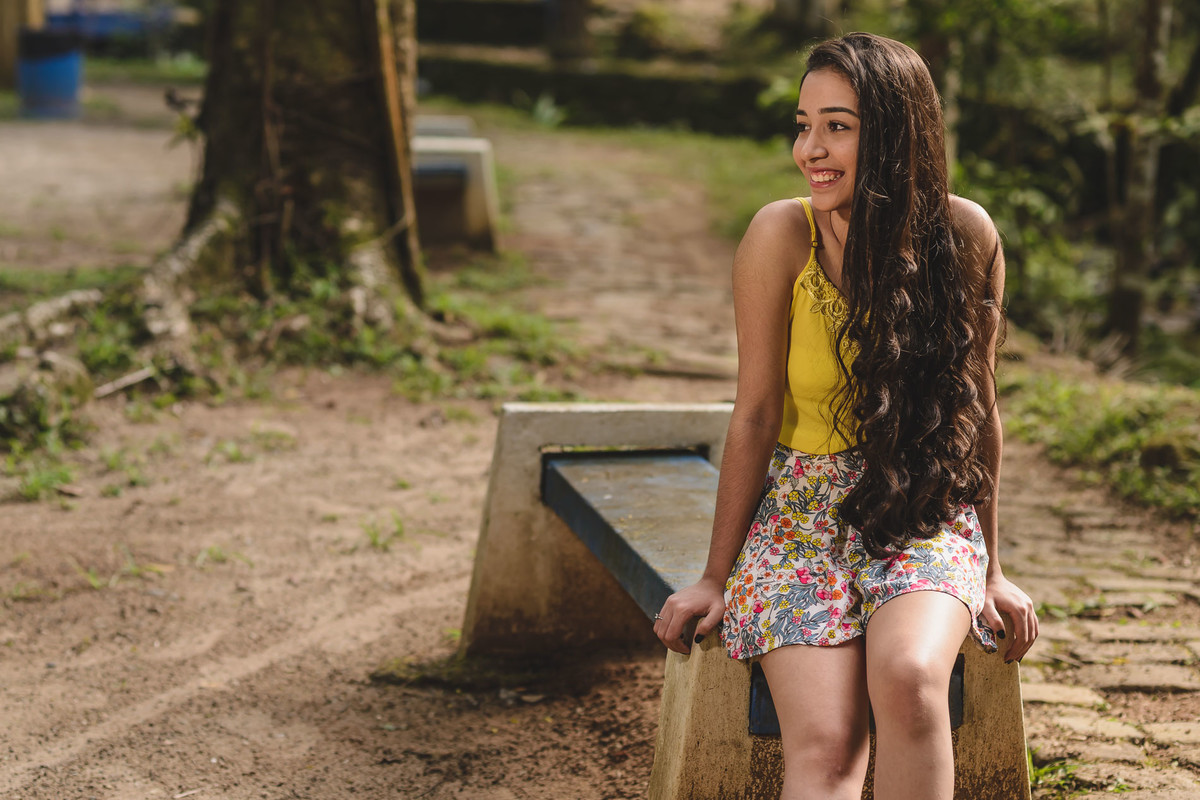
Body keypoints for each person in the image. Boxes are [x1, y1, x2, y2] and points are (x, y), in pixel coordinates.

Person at [651, 32, 1038, 800]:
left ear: (895, 134)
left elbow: (978, 408)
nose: (810, 150)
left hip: (922, 510)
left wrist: (992, 567)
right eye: (803, 124)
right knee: (826, 748)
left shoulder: (966, 236)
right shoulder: (779, 235)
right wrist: (712, 576)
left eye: (839, 125)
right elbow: (757, 412)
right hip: (800, 519)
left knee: (911, 676)